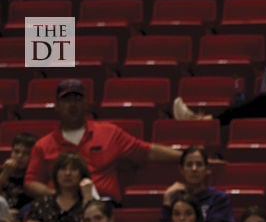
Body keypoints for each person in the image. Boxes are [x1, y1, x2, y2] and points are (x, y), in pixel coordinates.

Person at [25, 79, 181, 203]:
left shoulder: (109, 133)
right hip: (62, 208)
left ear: (86, 105)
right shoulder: (43, 145)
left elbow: (146, 151)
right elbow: (31, 182)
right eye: (66, 100)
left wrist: (185, 157)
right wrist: (57, 196)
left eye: (78, 99)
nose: (72, 105)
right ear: (57, 106)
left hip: (103, 205)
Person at [157, 146, 235, 222]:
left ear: (207, 169)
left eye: (199, 164)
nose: (194, 169)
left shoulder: (219, 198)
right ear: (182, 170)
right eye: (189, 165)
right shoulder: (174, 198)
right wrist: (167, 201)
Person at [24, 152, 95, 222]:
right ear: (56, 174)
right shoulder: (42, 203)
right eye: (63, 169)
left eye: (73, 169)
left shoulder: (90, 205)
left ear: (82, 175)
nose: (67, 173)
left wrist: (87, 199)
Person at [0, 132, 36, 219]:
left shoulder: (33, 176)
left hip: (21, 216)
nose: (20, 156)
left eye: (26, 153)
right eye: (16, 152)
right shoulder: (2, 170)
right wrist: (5, 173)